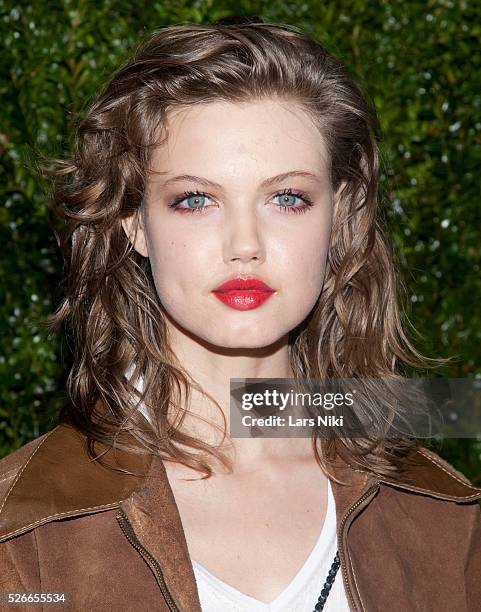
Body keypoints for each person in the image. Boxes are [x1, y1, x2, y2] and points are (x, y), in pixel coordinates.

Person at [1, 21, 480, 612]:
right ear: (133, 222)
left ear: (340, 214)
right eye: (195, 200)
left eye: (287, 199)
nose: (244, 244)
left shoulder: (447, 516)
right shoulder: (23, 536)